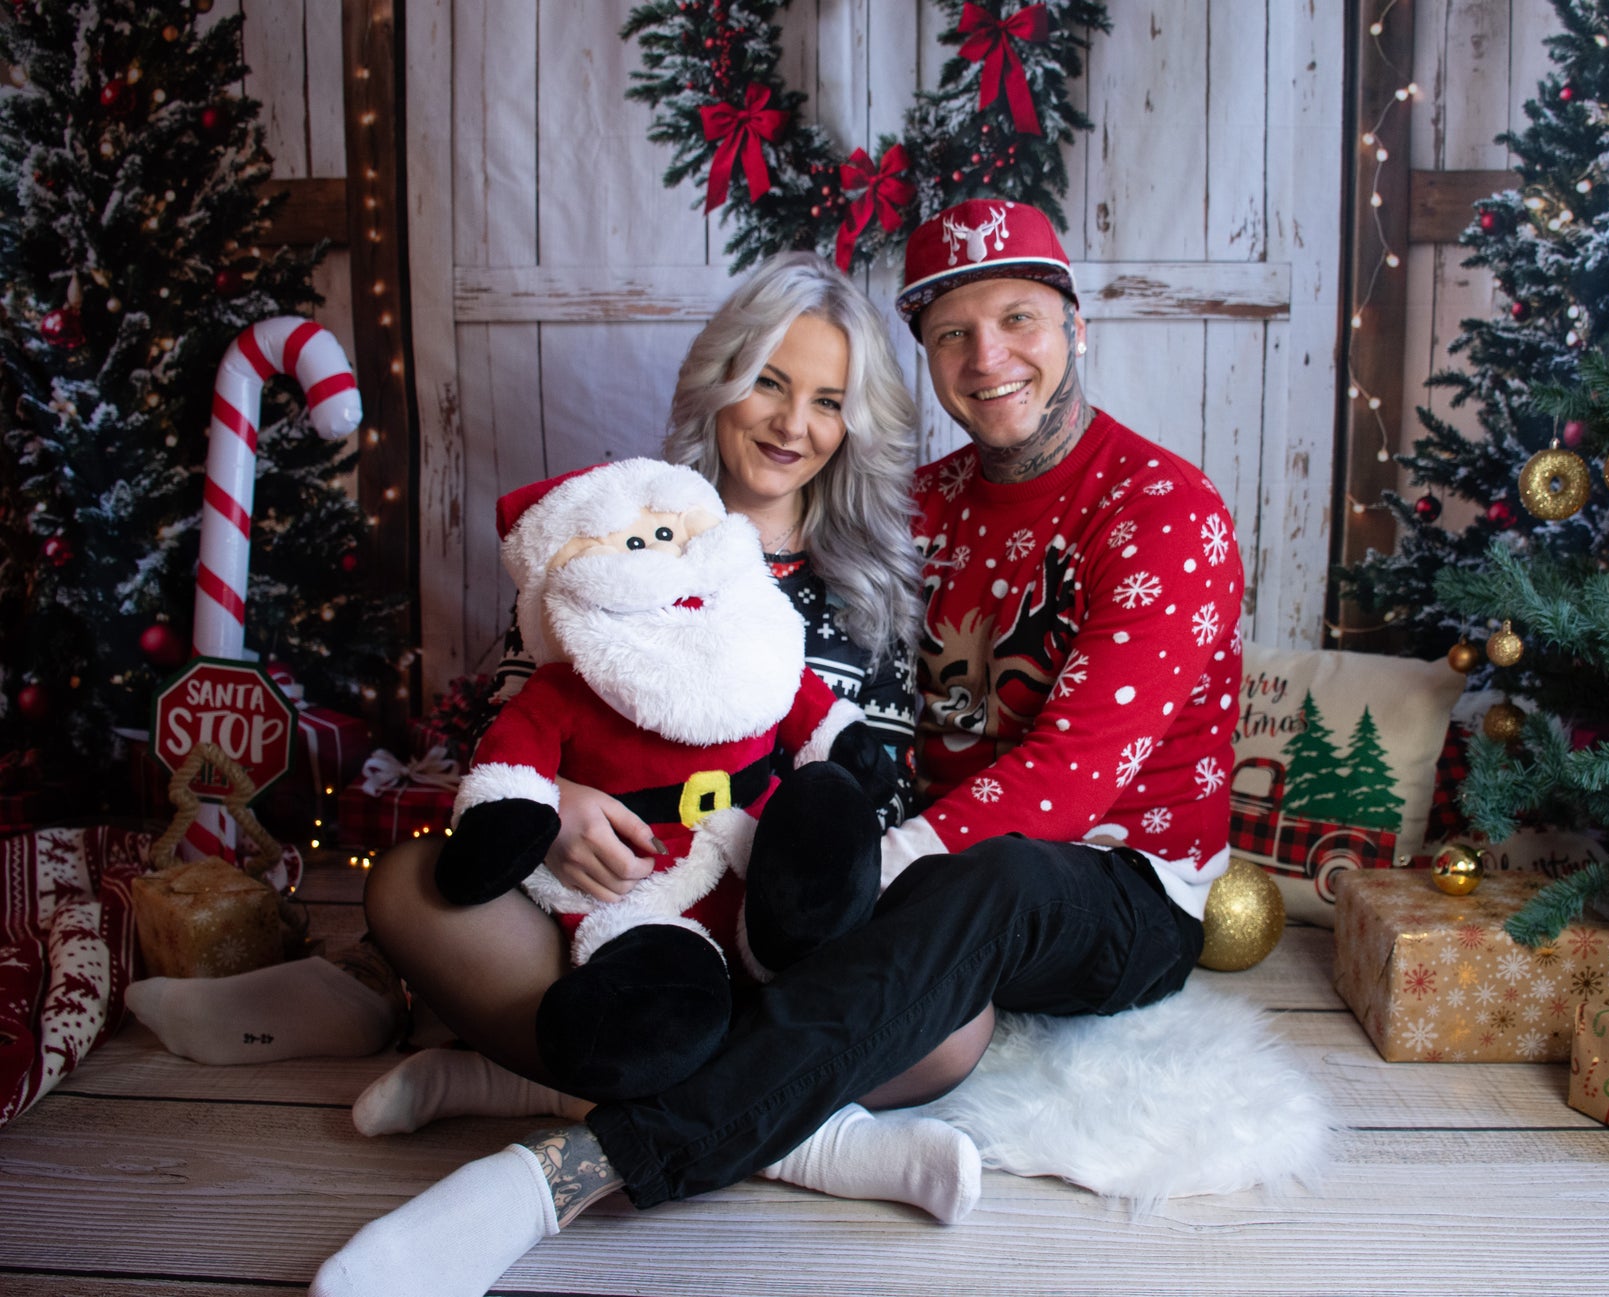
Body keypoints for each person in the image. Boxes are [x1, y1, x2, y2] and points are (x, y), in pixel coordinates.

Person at [310, 200, 1245, 1297]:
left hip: (1101, 874)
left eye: (1019, 319)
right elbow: (527, 702)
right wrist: (553, 796)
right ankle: (788, 1129)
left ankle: (573, 1161)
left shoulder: (1159, 512)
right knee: (422, 887)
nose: (988, 357)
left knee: (971, 931)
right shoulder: (914, 512)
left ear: (1074, 326)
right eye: (952, 331)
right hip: (706, 883)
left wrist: (862, 880)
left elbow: (1066, 776)